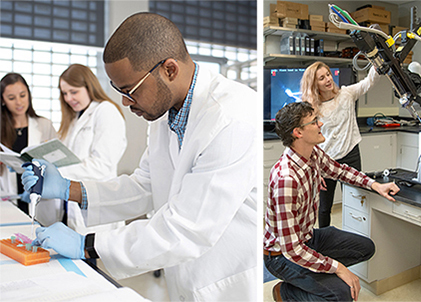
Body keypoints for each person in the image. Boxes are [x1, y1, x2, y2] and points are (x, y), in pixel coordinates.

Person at [23, 13, 259, 300]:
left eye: (129, 90)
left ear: (169, 70)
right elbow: (145, 185)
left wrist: (88, 244)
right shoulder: (165, 114)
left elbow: (188, 227)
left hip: (228, 281)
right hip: (185, 276)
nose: (124, 101)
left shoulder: (231, 117)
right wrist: (68, 190)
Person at [265, 101, 399, 301]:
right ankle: (286, 293)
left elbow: (340, 171)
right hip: (282, 256)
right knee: (342, 295)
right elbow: (292, 249)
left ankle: (308, 278)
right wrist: (338, 268)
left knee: (365, 248)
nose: (320, 124)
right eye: (314, 121)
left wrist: (375, 185)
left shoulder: (312, 154)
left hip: (308, 239)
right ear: (298, 133)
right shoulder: (287, 180)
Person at [33, 64, 128, 233]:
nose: (68, 98)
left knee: (86, 255)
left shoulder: (105, 111)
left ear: (89, 87)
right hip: (69, 207)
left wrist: (58, 173)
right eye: (64, 93)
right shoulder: (74, 118)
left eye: (74, 91)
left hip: (95, 203)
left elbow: (102, 165)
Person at [300, 61, 381, 228]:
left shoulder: (346, 94)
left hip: (350, 154)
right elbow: (309, 140)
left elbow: (368, 83)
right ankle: (325, 240)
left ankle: (355, 233)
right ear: (314, 84)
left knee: (356, 199)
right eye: (321, 78)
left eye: (328, 74)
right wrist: (315, 169)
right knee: (324, 207)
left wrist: (377, 64)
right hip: (326, 160)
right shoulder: (312, 108)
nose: (328, 79)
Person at [0, 73, 58, 214]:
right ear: (2, 100)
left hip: (40, 199)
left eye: (22, 95)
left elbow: (57, 161)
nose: (19, 102)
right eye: (11, 98)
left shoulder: (44, 125)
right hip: (9, 197)